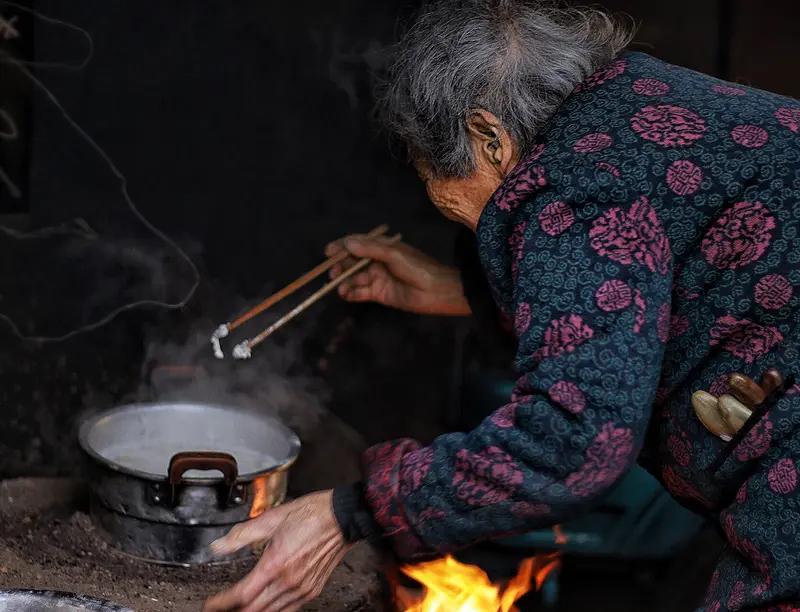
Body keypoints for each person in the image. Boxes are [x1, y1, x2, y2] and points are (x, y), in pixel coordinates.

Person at [203, 1, 800, 610]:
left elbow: (570, 439)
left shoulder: (571, 190)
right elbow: (641, 279)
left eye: (432, 178)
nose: (446, 205)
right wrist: (458, 290)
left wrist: (349, 512)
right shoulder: (630, 95)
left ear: (488, 138)